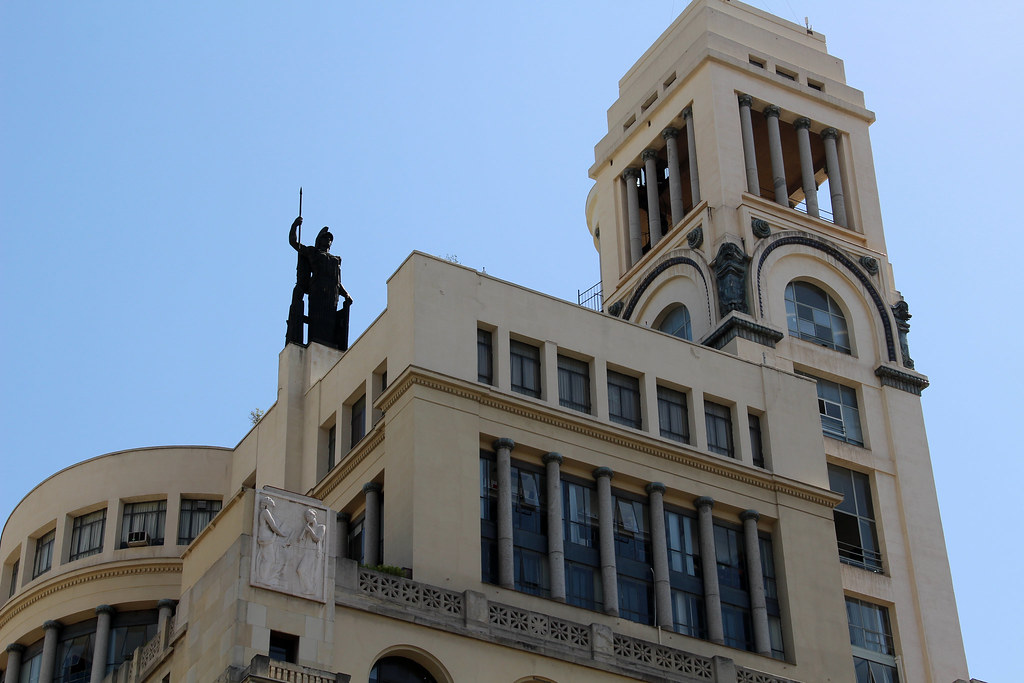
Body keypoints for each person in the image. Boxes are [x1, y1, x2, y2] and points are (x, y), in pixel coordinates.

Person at [288, 216, 353, 349]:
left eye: (330, 239)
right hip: (317, 291)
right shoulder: (313, 252)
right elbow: (293, 242)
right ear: (319, 240)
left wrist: (346, 294)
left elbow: (337, 281)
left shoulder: (336, 259)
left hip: (332, 295)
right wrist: (295, 225)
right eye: (325, 237)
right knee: (317, 321)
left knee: (330, 323)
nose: (328, 240)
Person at [256, 497, 287, 583]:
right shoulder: (266, 512)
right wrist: (282, 534)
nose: (272, 508)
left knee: (268, 559)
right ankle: (263, 579)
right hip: (266, 538)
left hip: (267, 538)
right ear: (267, 505)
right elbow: (273, 526)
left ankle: (264, 578)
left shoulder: (264, 512)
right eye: (271, 506)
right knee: (269, 559)